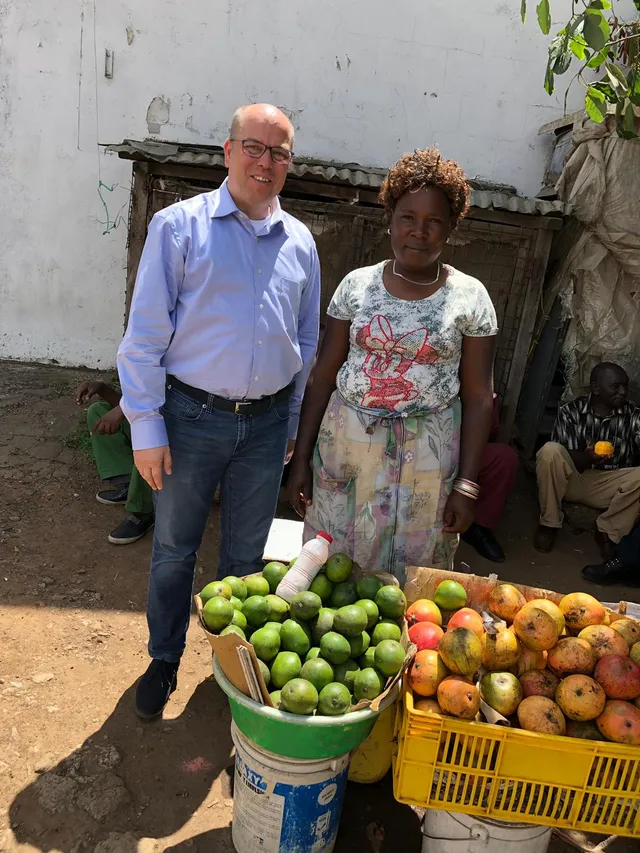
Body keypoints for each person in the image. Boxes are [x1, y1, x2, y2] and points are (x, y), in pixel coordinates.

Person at [117, 103, 320, 719]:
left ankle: (231, 667)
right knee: (175, 550)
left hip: (264, 426)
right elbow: (146, 334)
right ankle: (164, 659)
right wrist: (146, 428)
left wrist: (288, 428)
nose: (266, 162)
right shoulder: (180, 228)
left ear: (289, 164)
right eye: (254, 147)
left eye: (279, 153)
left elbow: (304, 343)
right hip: (190, 418)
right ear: (227, 151)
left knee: (243, 558)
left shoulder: (301, 242)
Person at [287, 148, 497, 585]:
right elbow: (323, 375)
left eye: (434, 221)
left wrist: (467, 485)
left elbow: (479, 396)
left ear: (452, 227)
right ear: (390, 218)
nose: (418, 232)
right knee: (335, 568)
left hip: (428, 460)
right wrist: (300, 459)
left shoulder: (470, 298)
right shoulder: (356, 286)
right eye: (407, 217)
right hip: (348, 448)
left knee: (417, 578)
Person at [534, 362, 640, 557]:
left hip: (612, 484)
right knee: (549, 451)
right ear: (596, 388)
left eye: (625, 386)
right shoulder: (571, 411)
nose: (623, 392)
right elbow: (564, 454)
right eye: (615, 387)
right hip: (574, 479)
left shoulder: (633, 416)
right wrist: (588, 457)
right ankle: (549, 523)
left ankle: (608, 531)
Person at [75, 380, 155, 544]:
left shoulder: (177, 358)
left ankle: (145, 511)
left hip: (178, 431)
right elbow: (133, 401)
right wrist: (102, 389)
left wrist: (122, 410)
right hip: (150, 415)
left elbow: (163, 404)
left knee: (150, 431)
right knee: (98, 411)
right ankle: (129, 485)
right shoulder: (136, 357)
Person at [461, 394, 519, 563]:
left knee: (504, 458)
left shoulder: (477, 379)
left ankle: (478, 527)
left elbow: (491, 431)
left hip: (461, 450)